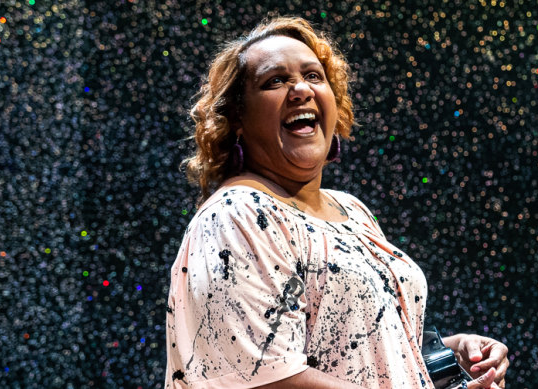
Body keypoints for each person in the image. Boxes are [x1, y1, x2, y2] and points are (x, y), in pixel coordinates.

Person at [165, 17, 509, 389]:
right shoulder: (239, 214)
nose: (300, 89)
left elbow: (361, 357)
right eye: (274, 81)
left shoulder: (351, 211)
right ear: (237, 119)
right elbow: (265, 379)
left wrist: (446, 359)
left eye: (314, 76)